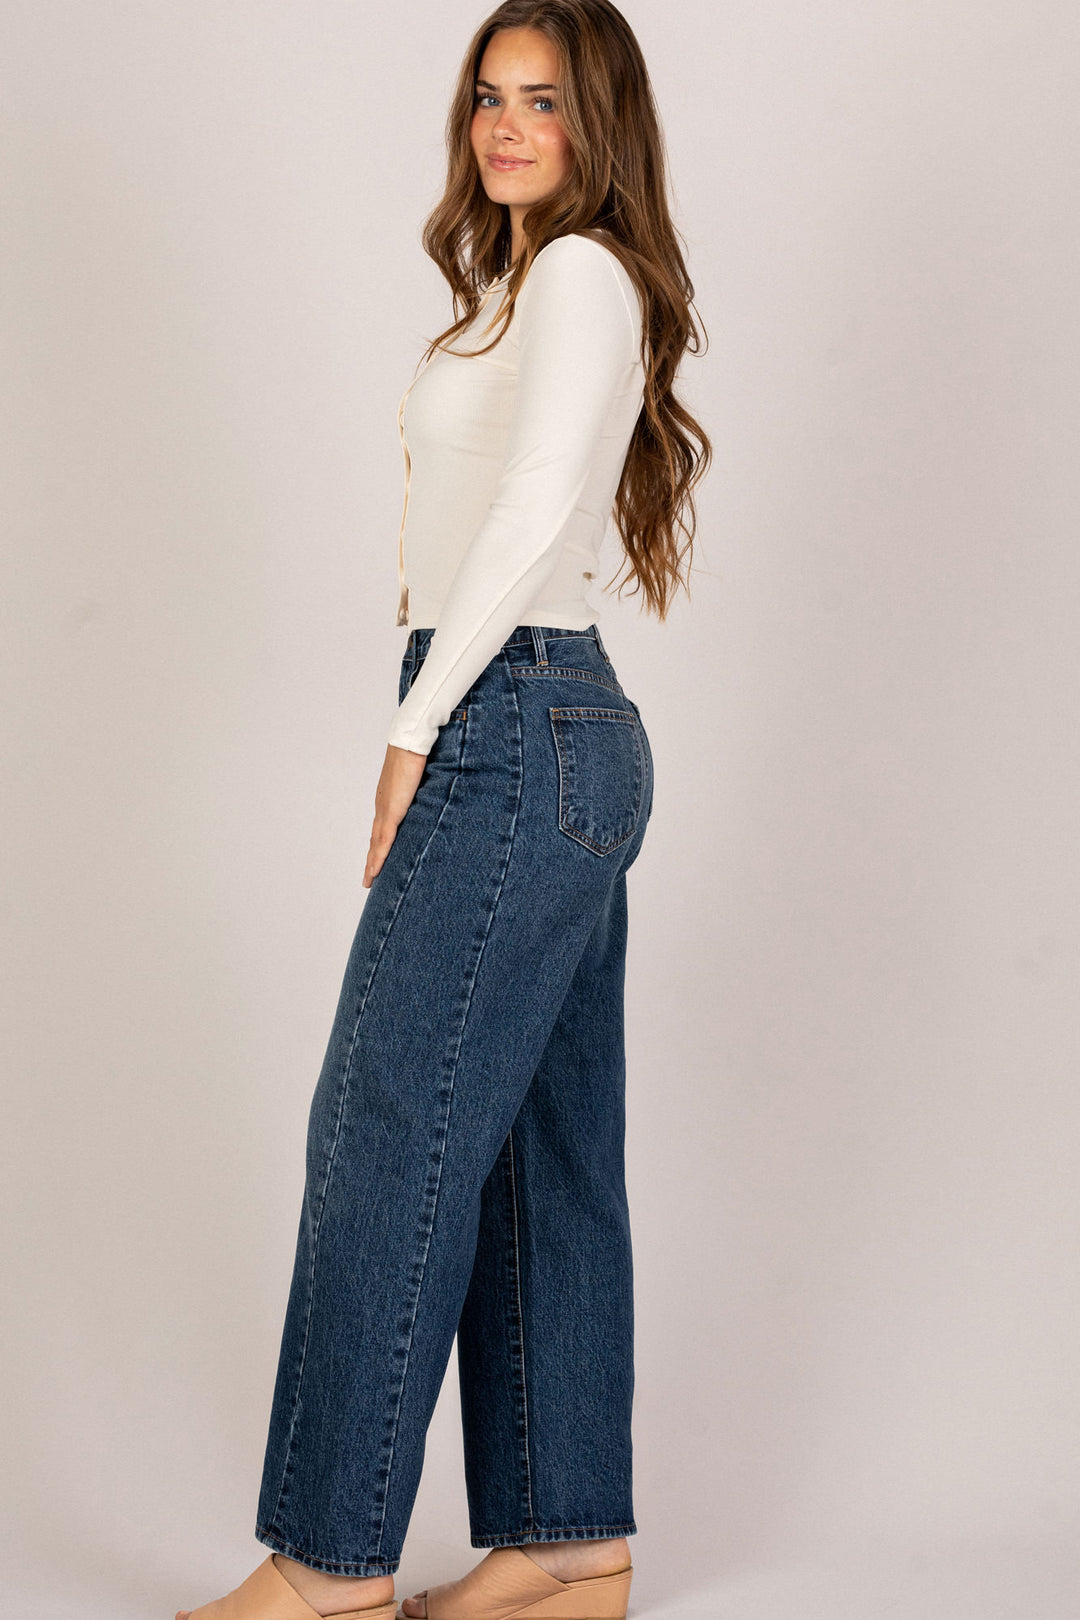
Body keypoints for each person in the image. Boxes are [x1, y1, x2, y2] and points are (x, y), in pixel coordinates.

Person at [175, 2, 709, 1617]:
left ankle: (327, 1569)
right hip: (561, 725)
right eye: (489, 98)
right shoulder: (528, 284)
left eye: (542, 100)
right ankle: (565, 1547)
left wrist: (415, 729)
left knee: (386, 1128)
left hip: (509, 718)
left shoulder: (580, 276)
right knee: (540, 1153)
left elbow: (541, 507)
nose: (504, 126)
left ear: (597, 118)